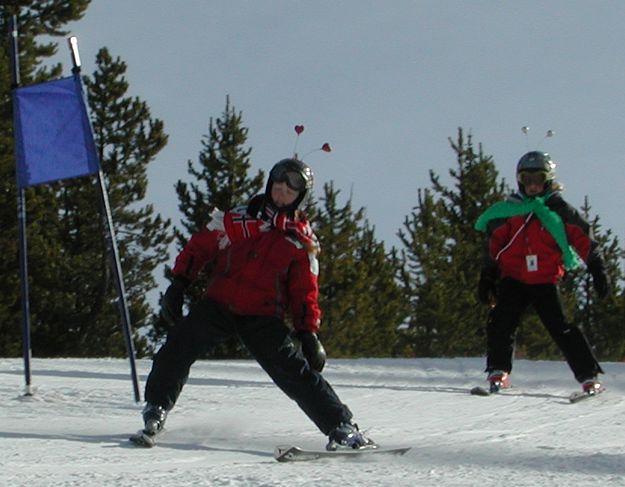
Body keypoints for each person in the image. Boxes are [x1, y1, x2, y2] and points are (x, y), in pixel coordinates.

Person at [138, 157, 375, 451]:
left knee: (293, 371)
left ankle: (341, 427)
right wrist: (179, 282)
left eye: (290, 192)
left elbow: (304, 290)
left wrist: (307, 333)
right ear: (269, 185)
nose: (282, 194)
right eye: (278, 187)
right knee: (178, 345)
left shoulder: (300, 241)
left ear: (300, 198)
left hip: (262, 315)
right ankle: (156, 409)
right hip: (220, 303)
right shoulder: (238, 219)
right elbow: (200, 246)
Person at [474, 151, 608, 394]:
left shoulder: (559, 210)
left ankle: (589, 376)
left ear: (548, 181)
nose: (533, 186)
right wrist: (488, 276)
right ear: (519, 181)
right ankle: (498, 371)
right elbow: (494, 245)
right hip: (514, 276)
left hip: (545, 278)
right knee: (501, 321)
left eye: (538, 180)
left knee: (561, 327)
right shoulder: (510, 210)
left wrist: (597, 269)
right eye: (527, 180)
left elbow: (583, 239)